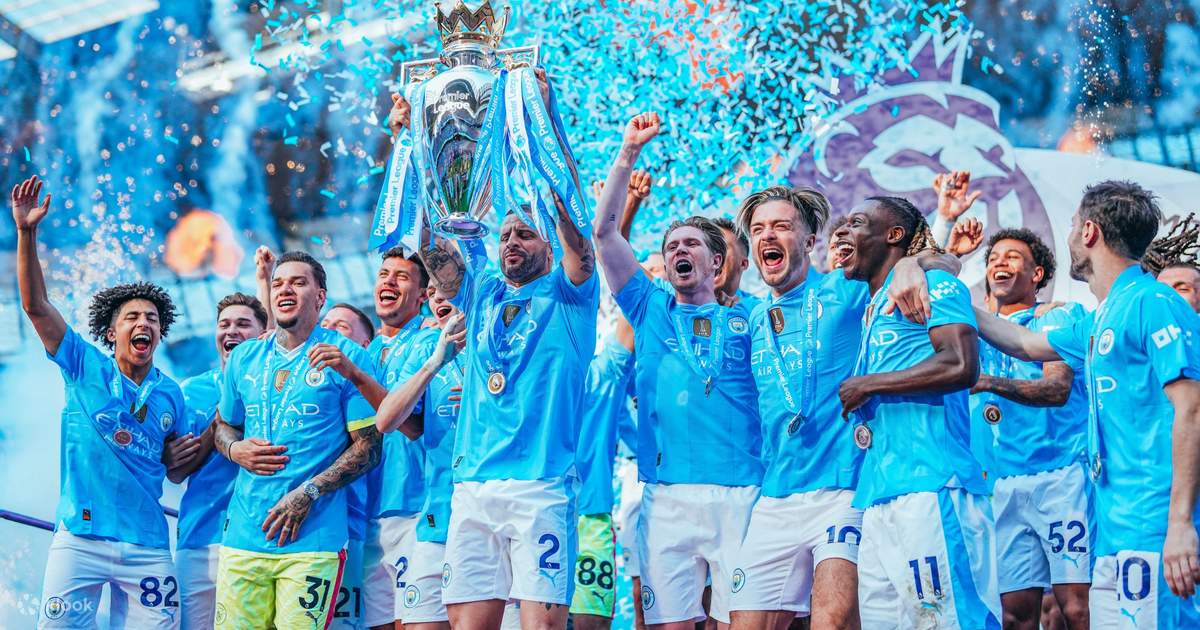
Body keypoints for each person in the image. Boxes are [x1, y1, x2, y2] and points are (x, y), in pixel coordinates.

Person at [395, 79, 598, 629]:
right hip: (472, 487)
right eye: (505, 234)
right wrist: (413, 147)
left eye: (525, 234)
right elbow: (432, 249)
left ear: (548, 245)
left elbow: (578, 231)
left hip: (541, 486)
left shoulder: (571, 295)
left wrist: (545, 125)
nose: (510, 241)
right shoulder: (482, 291)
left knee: (541, 625)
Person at [972, 181, 1200, 629]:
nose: (1071, 235)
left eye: (1074, 225)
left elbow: (1192, 410)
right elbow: (1023, 342)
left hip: (1154, 526)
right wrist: (945, 291)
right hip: (1111, 529)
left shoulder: (1154, 301)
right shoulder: (1100, 318)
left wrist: (1179, 524)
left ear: (1090, 232)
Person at [730, 185, 958, 630]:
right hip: (775, 494)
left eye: (781, 226)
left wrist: (914, 260)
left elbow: (939, 263)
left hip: (843, 489)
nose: (767, 236)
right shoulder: (754, 317)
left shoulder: (846, 289)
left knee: (832, 621)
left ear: (809, 240)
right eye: (758, 229)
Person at [593, 111, 759, 630]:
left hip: (740, 493)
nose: (679, 250)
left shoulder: (754, 318)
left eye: (692, 245)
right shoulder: (649, 308)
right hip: (665, 496)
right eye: (672, 247)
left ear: (717, 263)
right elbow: (604, 233)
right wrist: (628, 152)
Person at [13, 175, 187, 629]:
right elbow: (36, 306)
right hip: (80, 539)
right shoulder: (82, 363)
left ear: (160, 332)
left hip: (148, 543)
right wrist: (27, 233)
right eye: (132, 317)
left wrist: (196, 450)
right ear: (112, 332)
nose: (143, 322)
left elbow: (175, 468)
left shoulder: (172, 393)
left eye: (152, 318)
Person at [834, 196, 1001, 627]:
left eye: (856, 222)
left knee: (949, 622)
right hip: (880, 496)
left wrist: (869, 384)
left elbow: (961, 365)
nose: (842, 231)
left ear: (893, 235)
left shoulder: (934, 285)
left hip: (932, 488)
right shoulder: (874, 308)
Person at [211, 251, 381, 629]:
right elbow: (224, 425)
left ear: (320, 297)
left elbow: (369, 448)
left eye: (298, 282)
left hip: (312, 543)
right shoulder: (245, 357)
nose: (284, 289)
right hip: (243, 536)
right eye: (278, 284)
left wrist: (309, 493)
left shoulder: (346, 356)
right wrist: (235, 449)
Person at [969, 228, 1092, 629]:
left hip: (1061, 477)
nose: (999, 263)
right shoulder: (974, 332)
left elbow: (1057, 389)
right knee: (1015, 615)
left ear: (1037, 274)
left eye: (1012, 257)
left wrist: (987, 382)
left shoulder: (1058, 316)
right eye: (993, 258)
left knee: (1076, 607)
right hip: (1002, 484)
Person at [372, 289, 467, 630]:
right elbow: (387, 420)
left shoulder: (499, 339)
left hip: (492, 511)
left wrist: (483, 396)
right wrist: (433, 363)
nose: (438, 298)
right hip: (437, 515)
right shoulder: (426, 346)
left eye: (448, 289)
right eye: (432, 293)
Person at [174, 293, 268, 629]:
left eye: (243, 324)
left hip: (258, 542)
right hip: (200, 539)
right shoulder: (192, 390)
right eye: (224, 324)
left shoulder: (279, 386)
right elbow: (176, 471)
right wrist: (221, 416)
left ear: (263, 333)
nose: (231, 331)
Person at [712, 217, 762, 312]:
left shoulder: (759, 311)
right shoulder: (681, 308)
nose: (709, 253)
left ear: (743, 264)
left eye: (720, 246)